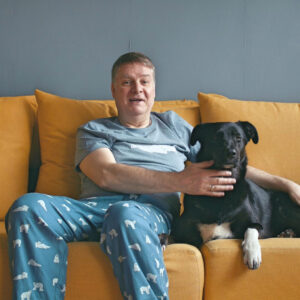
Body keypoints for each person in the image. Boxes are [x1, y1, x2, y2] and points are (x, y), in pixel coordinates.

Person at [6, 52, 300, 300]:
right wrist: (181, 181)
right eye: (127, 82)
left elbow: (230, 166)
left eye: (144, 82)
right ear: (113, 90)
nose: (137, 89)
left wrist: (286, 184)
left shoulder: (174, 126)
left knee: (125, 214)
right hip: (93, 209)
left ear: (154, 89)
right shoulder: (94, 130)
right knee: (26, 207)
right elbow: (106, 174)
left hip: (148, 214)